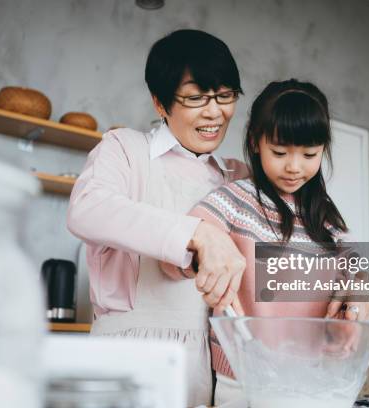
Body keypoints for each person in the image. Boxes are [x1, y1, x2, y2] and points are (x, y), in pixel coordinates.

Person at [160, 79, 369, 404]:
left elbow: (360, 266)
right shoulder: (234, 200)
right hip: (243, 380)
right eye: (279, 152)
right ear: (255, 142)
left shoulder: (324, 217)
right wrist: (198, 250)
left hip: (313, 374)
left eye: (309, 154)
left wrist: (361, 289)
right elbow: (175, 250)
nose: (294, 166)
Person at [66, 29, 249, 407]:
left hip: (211, 361)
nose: (214, 111)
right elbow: (87, 208)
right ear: (160, 103)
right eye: (196, 97)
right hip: (128, 354)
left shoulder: (237, 176)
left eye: (225, 95)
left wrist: (357, 280)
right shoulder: (125, 149)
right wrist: (198, 233)